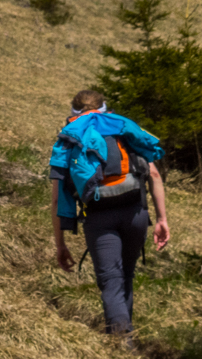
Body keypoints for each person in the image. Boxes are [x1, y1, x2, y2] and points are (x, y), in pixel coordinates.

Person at [50, 90, 170, 339]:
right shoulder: (122, 128)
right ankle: (125, 333)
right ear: (105, 107)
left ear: (74, 112)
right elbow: (155, 175)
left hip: (98, 216)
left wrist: (60, 244)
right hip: (135, 212)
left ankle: (121, 341)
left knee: (111, 279)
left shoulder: (68, 139)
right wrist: (161, 220)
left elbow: (57, 199)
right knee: (126, 273)